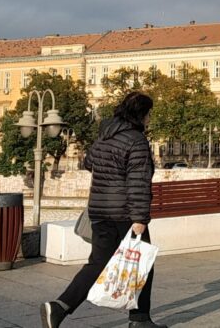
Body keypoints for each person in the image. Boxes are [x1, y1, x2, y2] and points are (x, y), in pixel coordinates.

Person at [42, 92, 166, 328]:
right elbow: (138, 182)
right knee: (142, 264)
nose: (150, 118)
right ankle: (139, 320)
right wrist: (140, 218)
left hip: (99, 211)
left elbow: (89, 163)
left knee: (98, 263)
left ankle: (59, 308)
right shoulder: (135, 140)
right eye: (149, 113)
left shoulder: (105, 136)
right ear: (140, 114)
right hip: (125, 214)